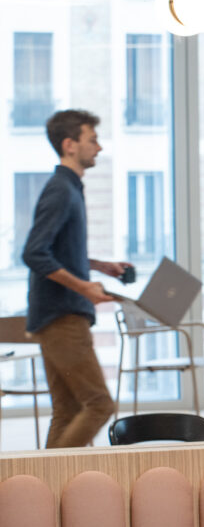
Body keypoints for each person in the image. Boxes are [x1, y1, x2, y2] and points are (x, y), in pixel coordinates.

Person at [22, 109, 130, 448]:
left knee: (67, 410)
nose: (99, 147)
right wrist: (84, 286)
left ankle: (44, 480)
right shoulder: (61, 190)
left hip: (54, 316)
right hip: (62, 316)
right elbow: (34, 253)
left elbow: (57, 251)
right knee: (99, 405)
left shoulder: (67, 188)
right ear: (70, 145)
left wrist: (98, 266)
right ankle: (48, 478)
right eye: (92, 140)